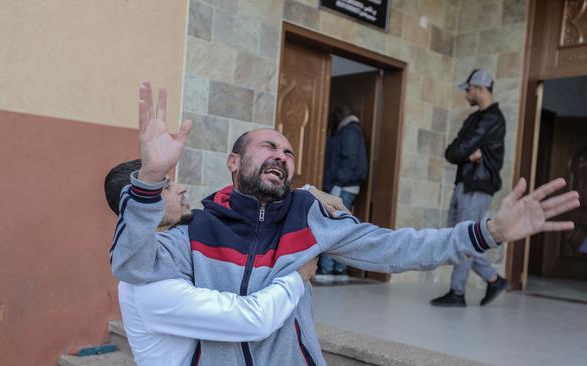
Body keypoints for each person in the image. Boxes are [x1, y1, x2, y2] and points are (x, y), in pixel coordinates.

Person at [111, 82, 580, 365]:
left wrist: (489, 232)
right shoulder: (197, 228)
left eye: (288, 152)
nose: (281, 156)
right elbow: (132, 264)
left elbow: (398, 247)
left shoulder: (310, 215)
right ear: (233, 162)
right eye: (268, 148)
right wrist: (151, 178)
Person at [104, 159, 320, 365]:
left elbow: (241, 211)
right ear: (141, 208)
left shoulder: (179, 247)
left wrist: (306, 195)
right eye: (167, 188)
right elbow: (253, 320)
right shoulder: (148, 288)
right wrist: (297, 276)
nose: (182, 188)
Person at [430, 69, 508, 307]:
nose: (466, 92)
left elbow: (459, 149)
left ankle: (458, 292)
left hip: (478, 185)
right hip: (464, 182)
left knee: (464, 237)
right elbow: (452, 151)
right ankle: (493, 279)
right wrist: (464, 153)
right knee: (455, 237)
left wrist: (465, 152)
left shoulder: (492, 119)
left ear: (481, 88)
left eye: (469, 88)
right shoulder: (474, 118)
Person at [320, 104, 368, 276]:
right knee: (338, 226)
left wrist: (336, 184)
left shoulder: (350, 131)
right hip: (344, 185)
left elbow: (349, 160)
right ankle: (337, 269)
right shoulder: (349, 130)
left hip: (342, 186)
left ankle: (331, 269)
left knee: (333, 227)